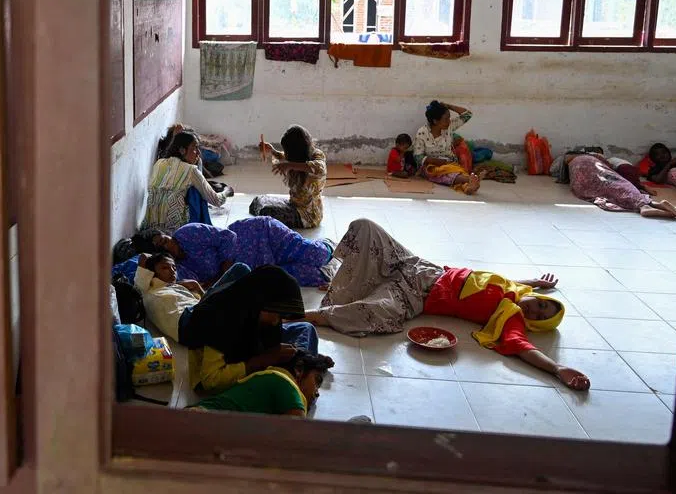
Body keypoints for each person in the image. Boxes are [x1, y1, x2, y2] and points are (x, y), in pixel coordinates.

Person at [305, 219, 591, 392]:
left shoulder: (511, 317)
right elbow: (494, 284)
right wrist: (534, 281)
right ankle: (345, 278)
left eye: (540, 316)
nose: (535, 309)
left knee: (375, 315)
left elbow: (523, 347)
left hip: (414, 296)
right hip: (418, 266)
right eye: (541, 305)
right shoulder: (515, 289)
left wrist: (557, 369)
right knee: (365, 227)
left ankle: (317, 315)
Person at [178, 265, 318, 394]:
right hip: (215, 377)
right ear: (257, 302)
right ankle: (296, 375)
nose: (277, 321)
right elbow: (210, 380)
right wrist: (263, 360)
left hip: (249, 347)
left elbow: (271, 342)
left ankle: (300, 367)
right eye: (275, 314)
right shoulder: (219, 318)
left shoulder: (257, 312)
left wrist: (282, 352)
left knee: (306, 328)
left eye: (281, 316)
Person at [121, 216, 334, 287]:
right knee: (313, 276)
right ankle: (332, 267)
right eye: (162, 248)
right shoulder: (179, 269)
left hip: (262, 235)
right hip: (259, 266)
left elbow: (229, 237)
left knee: (318, 256)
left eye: (165, 240)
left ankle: (328, 245)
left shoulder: (187, 233)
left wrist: (221, 273)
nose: (168, 246)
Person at [189, 349, 334, 417]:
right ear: (299, 369)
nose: (317, 393)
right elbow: (297, 428)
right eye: (317, 381)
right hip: (201, 419)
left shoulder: (266, 379)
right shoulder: (284, 382)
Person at [142, 131, 226, 231]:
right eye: (194, 148)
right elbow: (216, 200)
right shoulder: (191, 170)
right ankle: (200, 231)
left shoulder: (159, 163)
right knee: (197, 191)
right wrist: (226, 192)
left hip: (151, 227)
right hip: (176, 231)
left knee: (190, 188)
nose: (198, 153)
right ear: (182, 150)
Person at [566, 154, 676, 220]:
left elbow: (571, 179)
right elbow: (608, 167)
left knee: (599, 189)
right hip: (602, 170)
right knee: (618, 184)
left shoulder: (569, 160)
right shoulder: (596, 157)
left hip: (584, 171)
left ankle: (645, 207)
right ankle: (651, 204)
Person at [250, 125, 327, 229]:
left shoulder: (317, 155)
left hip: (307, 216)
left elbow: (320, 169)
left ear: (298, 149)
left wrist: (289, 165)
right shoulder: (300, 155)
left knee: (266, 211)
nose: (287, 154)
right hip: (294, 205)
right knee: (258, 200)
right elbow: (287, 156)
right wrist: (273, 151)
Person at [414, 100, 480, 194]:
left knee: (455, 171)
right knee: (444, 172)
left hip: (450, 164)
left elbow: (467, 114)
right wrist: (439, 162)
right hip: (431, 166)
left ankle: (468, 187)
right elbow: (417, 157)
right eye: (446, 119)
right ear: (435, 121)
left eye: (449, 118)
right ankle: (469, 179)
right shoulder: (422, 133)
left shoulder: (449, 127)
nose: (449, 121)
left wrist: (449, 106)